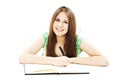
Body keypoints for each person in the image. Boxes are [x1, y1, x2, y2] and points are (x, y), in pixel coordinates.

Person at [19, 6, 109, 67]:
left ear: (71, 26)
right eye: (57, 20)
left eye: (65, 22)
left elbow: (104, 61)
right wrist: (54, 61)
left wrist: (71, 60)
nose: (60, 25)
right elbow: (23, 57)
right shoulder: (45, 37)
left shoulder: (77, 40)